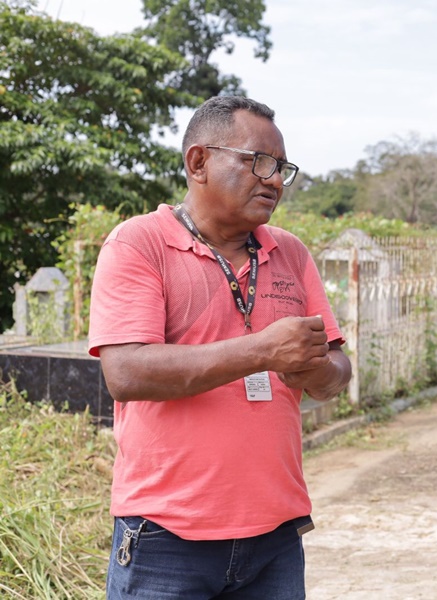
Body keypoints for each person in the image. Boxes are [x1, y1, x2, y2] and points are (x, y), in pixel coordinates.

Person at [88, 96, 351, 599]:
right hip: (166, 536)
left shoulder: (289, 252)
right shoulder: (138, 244)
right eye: (257, 162)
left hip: (275, 536)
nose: (273, 180)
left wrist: (315, 373)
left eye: (282, 168)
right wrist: (262, 352)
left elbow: (338, 368)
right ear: (199, 162)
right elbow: (126, 373)